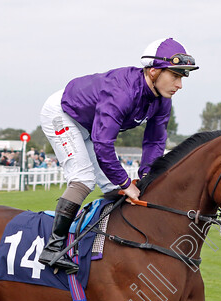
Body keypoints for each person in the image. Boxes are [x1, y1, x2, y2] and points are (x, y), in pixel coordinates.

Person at [37, 37, 198, 273]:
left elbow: (154, 140)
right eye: (175, 76)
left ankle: (104, 239)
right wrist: (125, 182)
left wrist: (146, 176)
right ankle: (53, 247)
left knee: (113, 188)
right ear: (154, 71)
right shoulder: (122, 92)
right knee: (84, 178)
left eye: (182, 77)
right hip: (63, 114)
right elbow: (103, 143)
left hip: (90, 123)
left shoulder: (162, 100)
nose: (179, 85)